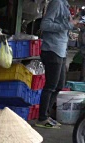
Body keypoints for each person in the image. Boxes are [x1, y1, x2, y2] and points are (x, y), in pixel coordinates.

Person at [36, 0, 79, 128]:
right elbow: (45, 25)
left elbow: (65, 24)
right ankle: (42, 118)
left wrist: (74, 23)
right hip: (52, 49)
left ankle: (47, 115)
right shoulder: (56, 3)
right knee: (50, 85)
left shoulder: (64, 4)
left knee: (59, 85)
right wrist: (68, 24)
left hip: (61, 50)